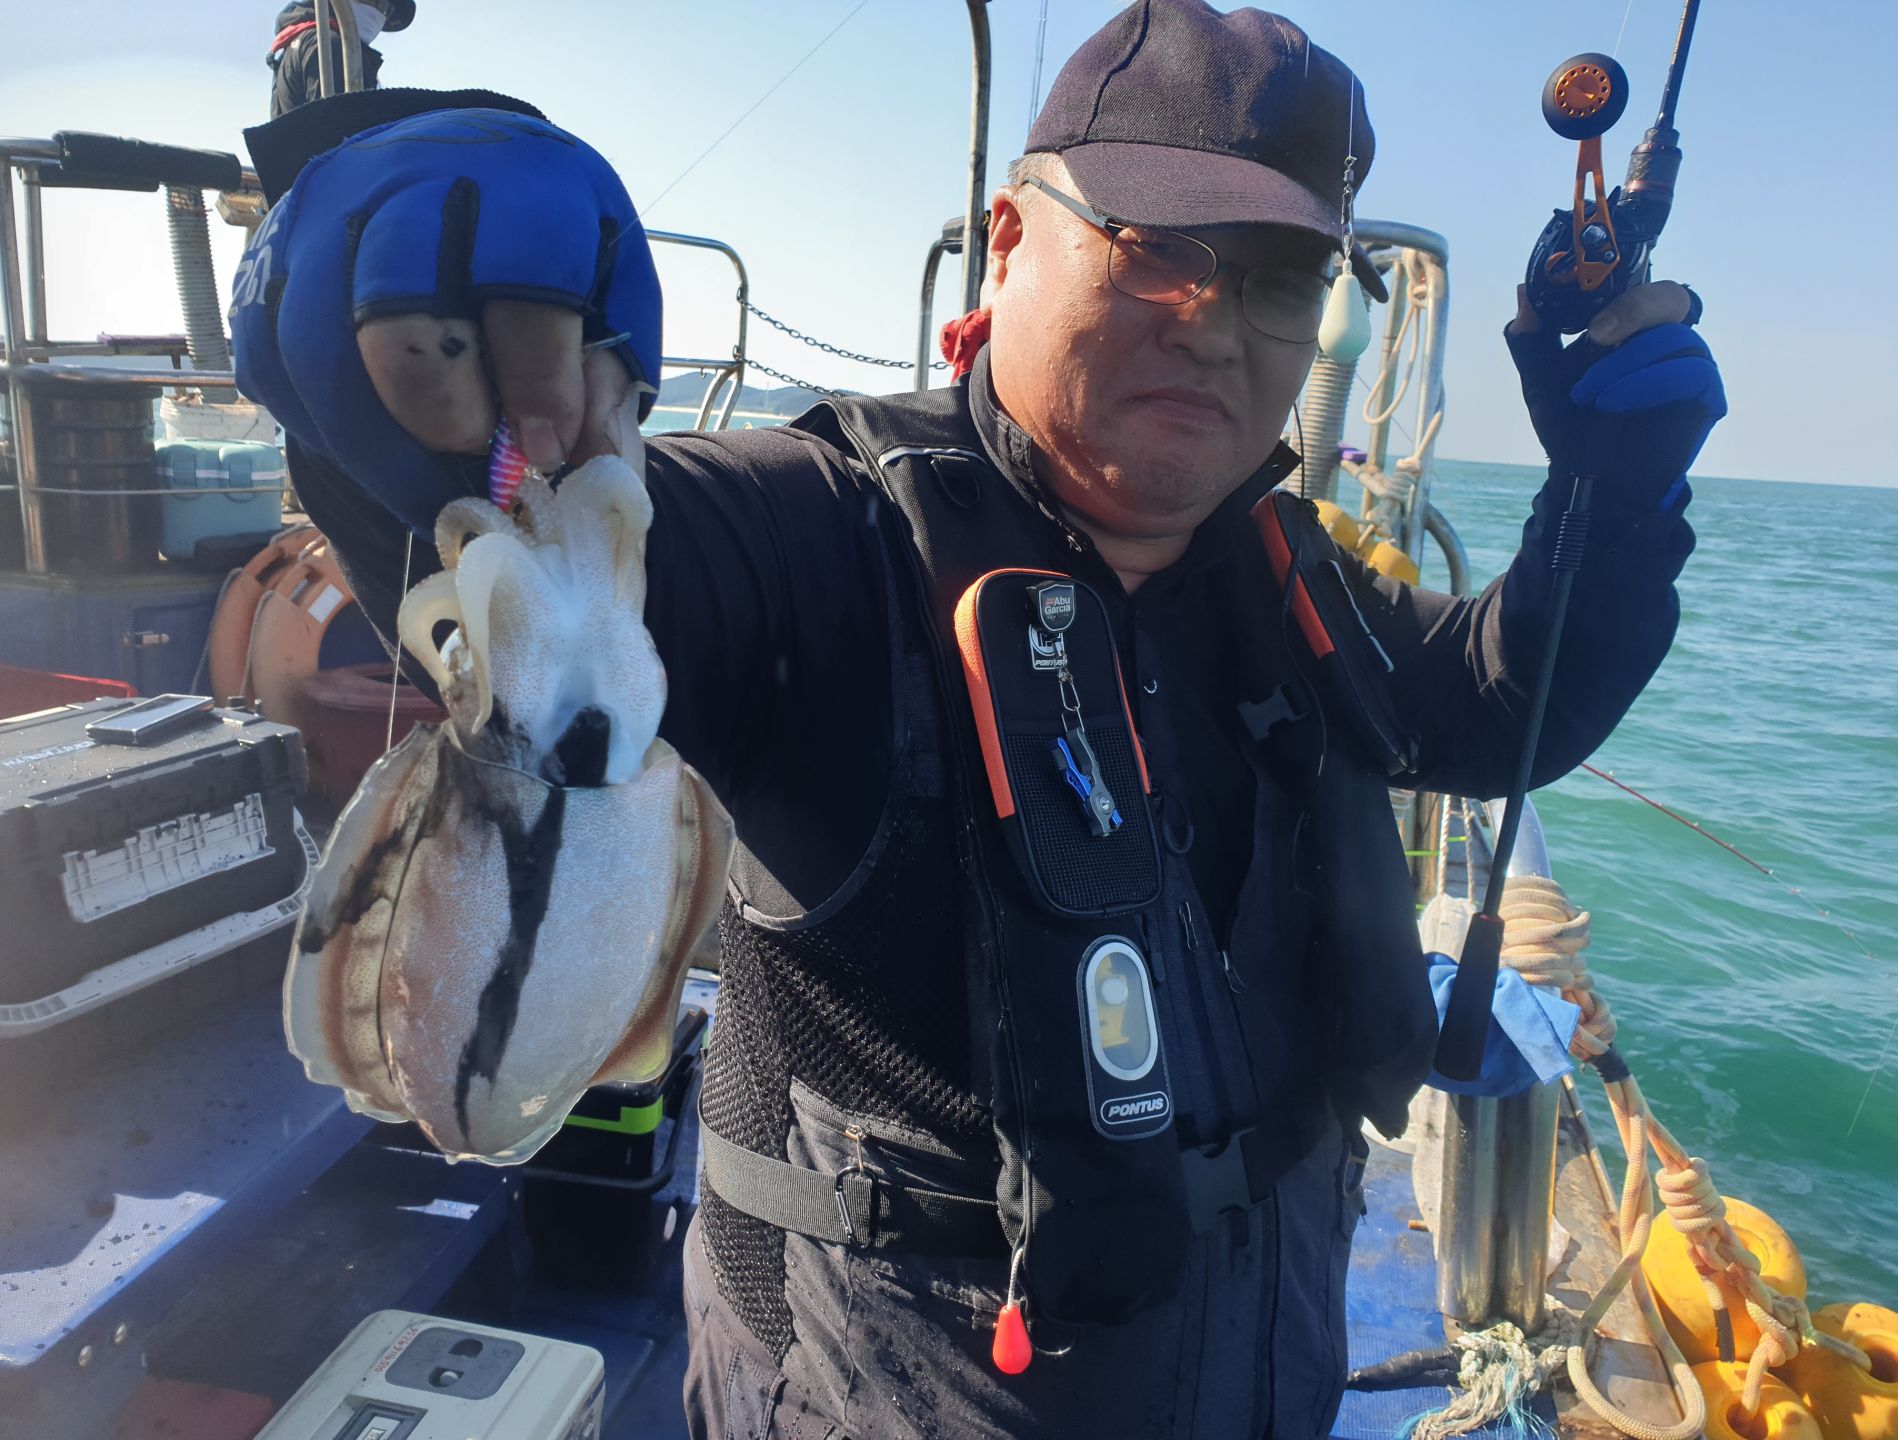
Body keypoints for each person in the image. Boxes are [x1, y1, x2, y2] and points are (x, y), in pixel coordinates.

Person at [230, 1, 1724, 1435]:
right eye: (1159, 248)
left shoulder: (1289, 576)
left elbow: (1488, 711)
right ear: (1009, 241)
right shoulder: (822, 537)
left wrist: (1615, 496)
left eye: (1277, 277)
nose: (1214, 322)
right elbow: (531, 530)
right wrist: (403, 295)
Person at [266, 0, 415, 118]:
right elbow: (339, 130)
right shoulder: (328, 45)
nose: (376, 11)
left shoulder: (305, 41)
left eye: (384, 7)